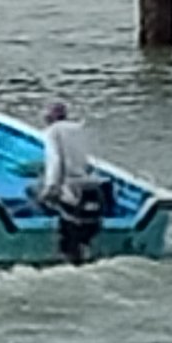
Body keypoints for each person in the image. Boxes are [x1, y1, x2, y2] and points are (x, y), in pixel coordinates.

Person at [32, 99, 110, 263]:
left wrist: (50, 188)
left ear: (49, 118)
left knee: (33, 192)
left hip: (69, 188)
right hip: (87, 185)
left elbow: (55, 161)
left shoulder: (52, 132)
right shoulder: (79, 128)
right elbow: (87, 161)